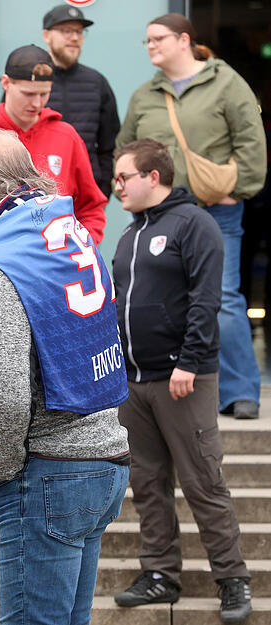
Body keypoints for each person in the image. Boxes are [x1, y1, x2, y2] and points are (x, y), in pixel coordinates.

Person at [0, 129, 129, 625]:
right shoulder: (70, 236)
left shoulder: (7, 258)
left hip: (46, 470)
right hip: (102, 455)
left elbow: (6, 391)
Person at [110, 139, 252, 624]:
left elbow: (206, 299)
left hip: (182, 379)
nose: (117, 186)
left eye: (124, 177)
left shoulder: (194, 224)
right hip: (135, 382)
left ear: (153, 177)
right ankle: (159, 574)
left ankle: (232, 579)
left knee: (203, 481)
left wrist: (188, 362)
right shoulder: (130, 234)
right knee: (148, 483)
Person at [116, 13, 267, 419]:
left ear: (184, 40)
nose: (151, 46)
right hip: (159, 217)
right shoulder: (146, 94)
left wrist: (238, 189)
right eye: (147, 40)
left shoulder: (226, 82)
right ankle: (179, 386)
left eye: (158, 38)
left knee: (223, 298)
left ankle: (240, 392)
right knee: (164, 298)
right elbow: (126, 148)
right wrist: (128, 188)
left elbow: (251, 141)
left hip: (215, 211)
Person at [0, 45, 107, 243]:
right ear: (6, 83)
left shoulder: (67, 136)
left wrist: (79, 245)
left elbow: (91, 208)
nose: (37, 103)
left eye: (44, 94)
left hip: (54, 257)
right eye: (28, 94)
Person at [41, 4, 120, 198]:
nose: (75, 38)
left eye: (79, 31)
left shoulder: (97, 82)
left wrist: (102, 189)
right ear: (47, 35)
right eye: (66, 31)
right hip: (39, 195)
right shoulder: (32, 81)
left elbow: (110, 144)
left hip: (86, 195)